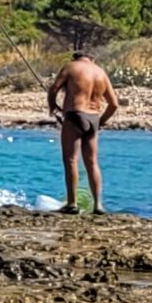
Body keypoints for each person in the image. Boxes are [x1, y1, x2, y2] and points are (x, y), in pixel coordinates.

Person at [47, 48, 120, 214]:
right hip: (93, 118)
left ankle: (72, 203)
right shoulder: (100, 72)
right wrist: (101, 122)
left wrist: (53, 108)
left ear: (76, 57)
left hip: (75, 115)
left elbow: (53, 89)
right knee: (92, 162)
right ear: (91, 59)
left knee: (71, 160)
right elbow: (114, 104)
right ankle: (98, 205)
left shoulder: (71, 67)